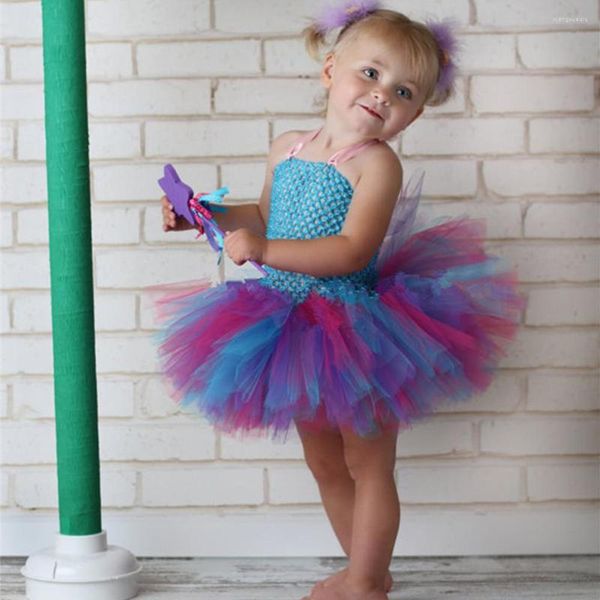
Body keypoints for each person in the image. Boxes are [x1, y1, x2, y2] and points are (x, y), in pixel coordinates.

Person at [155, 2, 527, 599]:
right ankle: (365, 570)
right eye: (371, 73)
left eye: (403, 91)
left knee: (368, 464)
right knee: (325, 463)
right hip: (287, 325)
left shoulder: (377, 165)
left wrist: (265, 249)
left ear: (414, 114)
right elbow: (264, 213)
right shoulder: (288, 147)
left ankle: (365, 585)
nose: (383, 94)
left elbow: (352, 250)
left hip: (357, 331)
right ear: (331, 70)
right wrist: (208, 215)